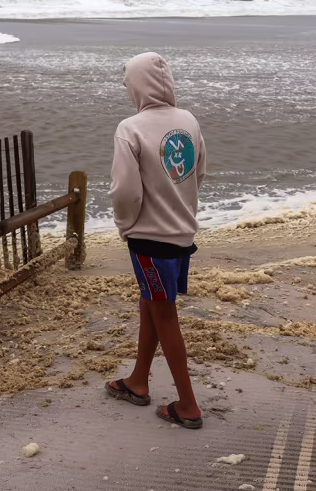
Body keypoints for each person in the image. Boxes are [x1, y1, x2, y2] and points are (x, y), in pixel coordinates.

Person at [105, 51, 206, 429]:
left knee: (164, 313)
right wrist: (180, 209)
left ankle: (188, 405)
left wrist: (124, 226)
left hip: (149, 238)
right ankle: (137, 381)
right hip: (182, 233)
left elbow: (125, 193)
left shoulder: (129, 128)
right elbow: (198, 173)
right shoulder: (188, 121)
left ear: (136, 85)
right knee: (151, 301)